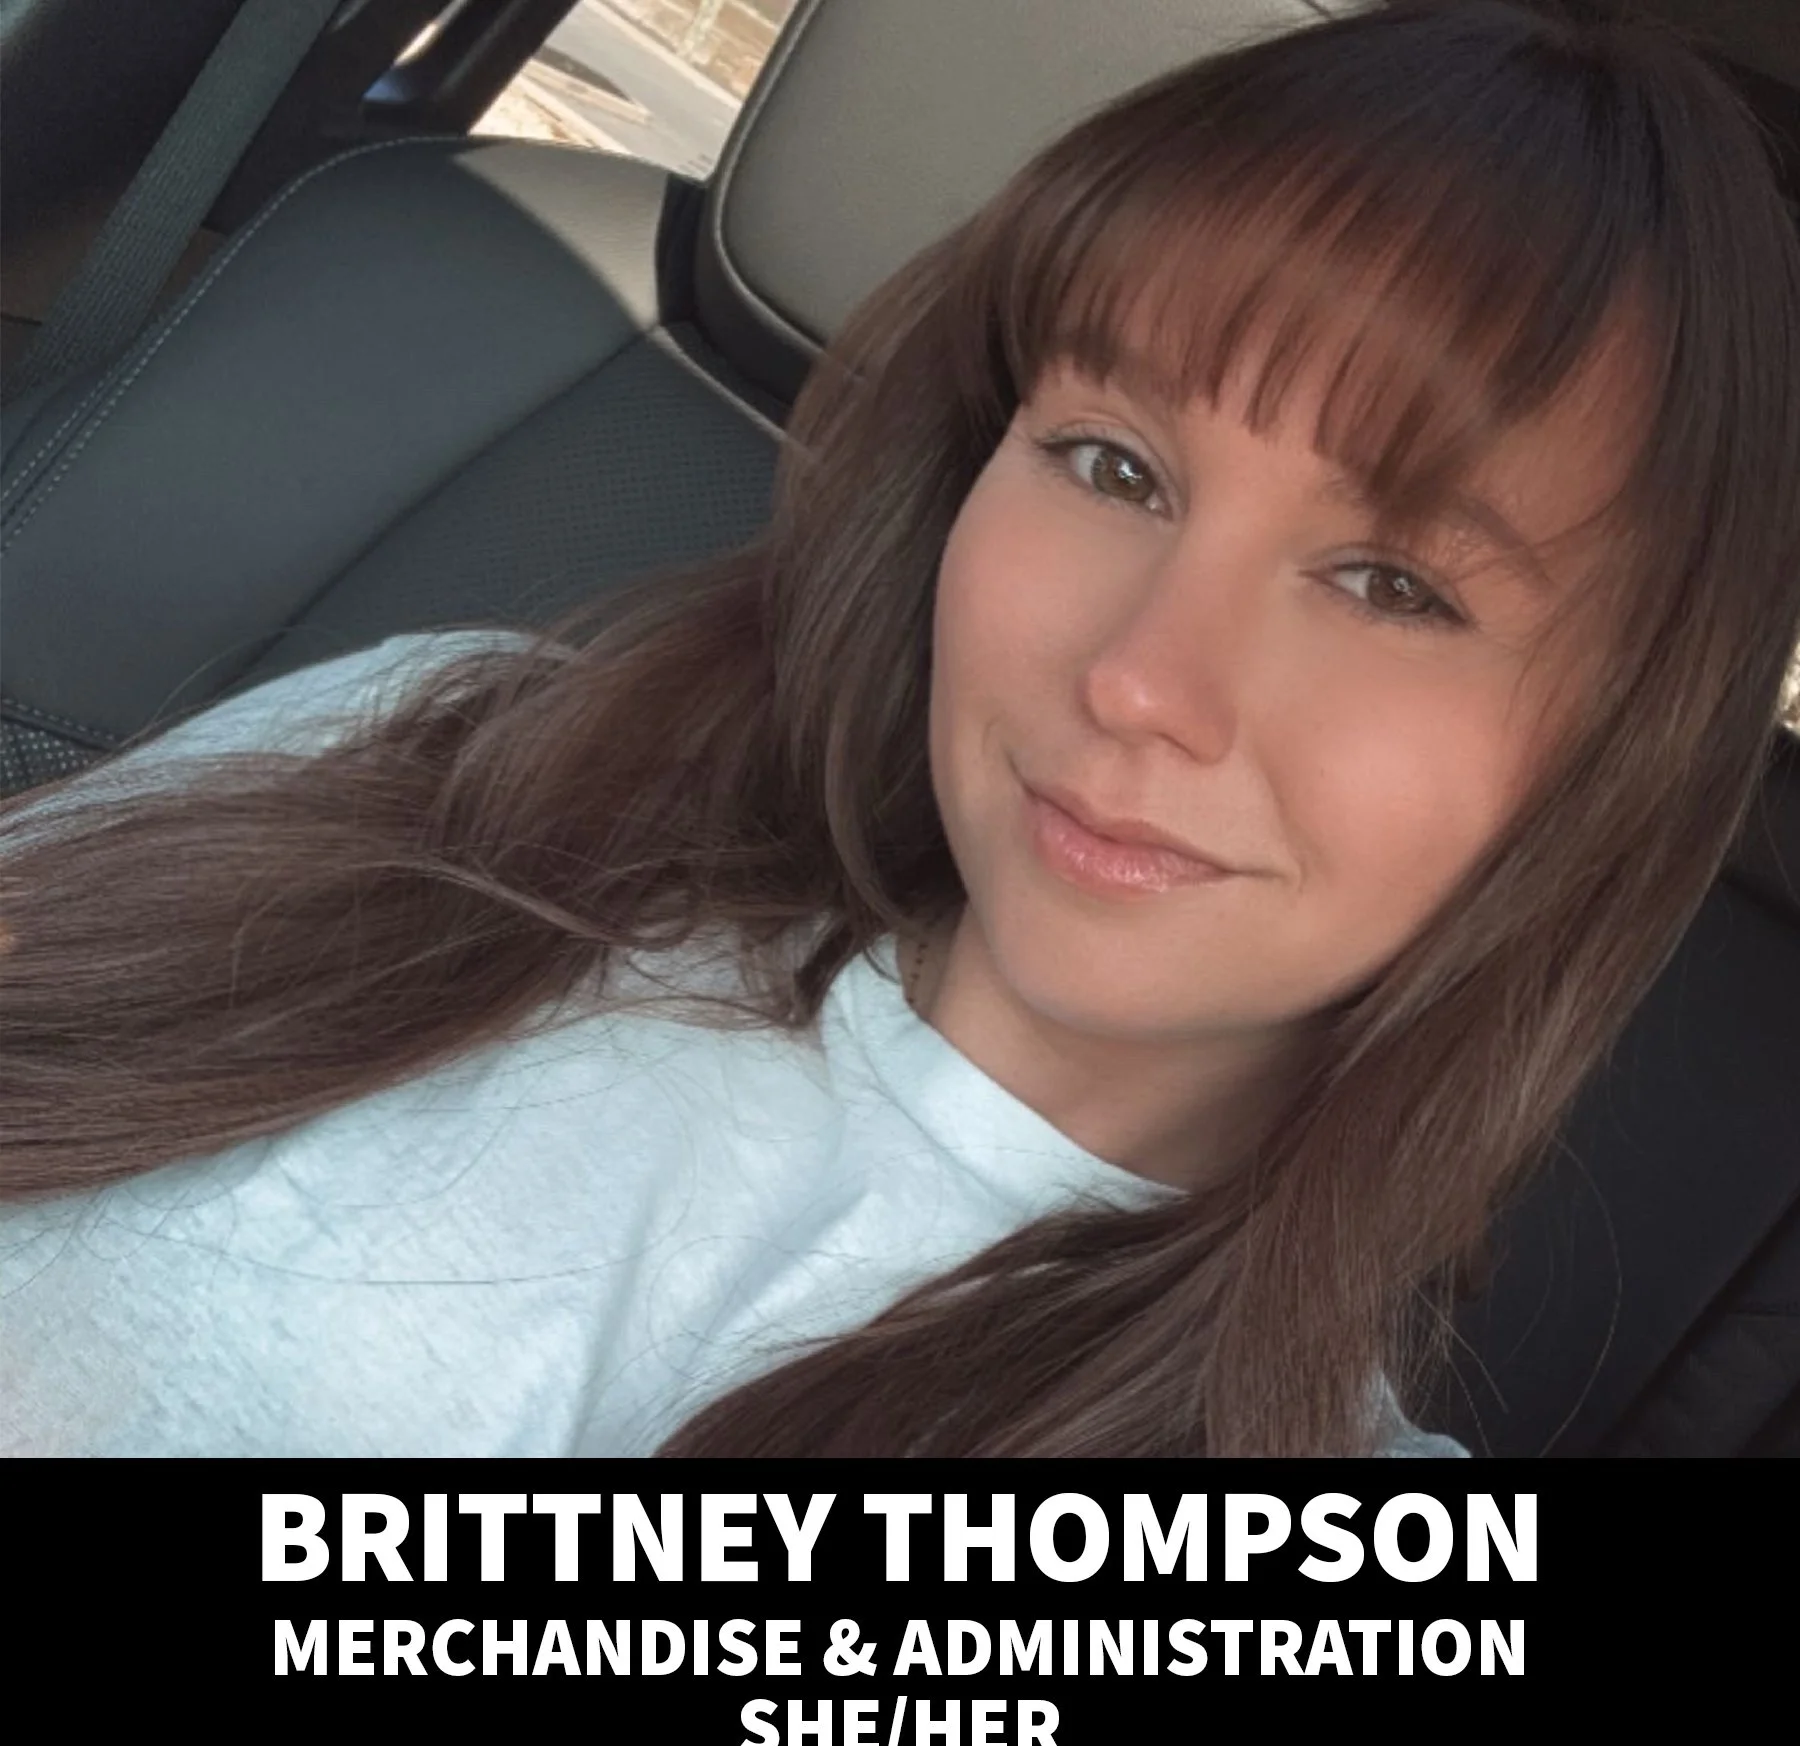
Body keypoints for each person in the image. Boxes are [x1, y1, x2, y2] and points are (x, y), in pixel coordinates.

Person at [2, 0, 1797, 1457]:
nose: (1139, 682)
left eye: (1397, 586)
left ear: (1617, 748)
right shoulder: (457, 745)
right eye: (1113, 465)